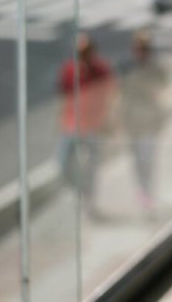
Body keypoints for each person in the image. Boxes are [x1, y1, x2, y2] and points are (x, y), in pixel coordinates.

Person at [58, 33, 115, 218]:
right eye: (78, 53)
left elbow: (111, 94)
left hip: (93, 125)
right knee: (63, 163)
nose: (81, 56)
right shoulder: (69, 70)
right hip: (72, 124)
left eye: (85, 52)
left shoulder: (101, 69)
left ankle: (89, 200)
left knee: (92, 166)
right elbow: (63, 96)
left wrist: (109, 120)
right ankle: (80, 190)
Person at [117, 30, 169, 212]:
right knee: (137, 159)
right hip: (133, 120)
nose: (141, 52)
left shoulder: (156, 69)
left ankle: (147, 191)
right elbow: (120, 94)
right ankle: (143, 190)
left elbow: (163, 93)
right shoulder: (126, 67)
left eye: (144, 49)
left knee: (148, 157)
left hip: (149, 120)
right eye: (138, 48)